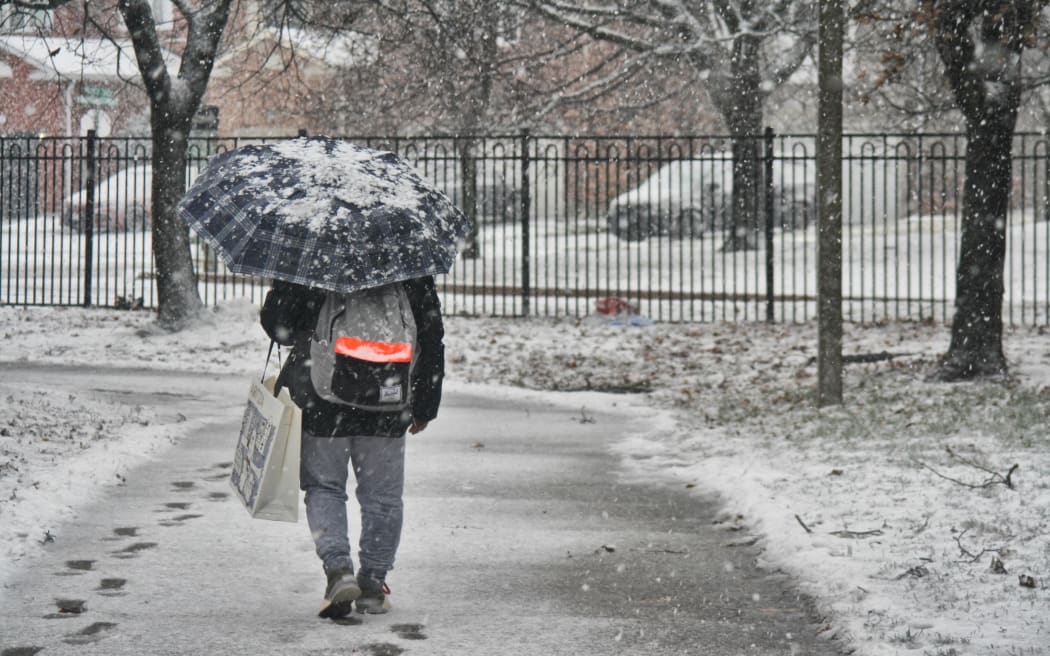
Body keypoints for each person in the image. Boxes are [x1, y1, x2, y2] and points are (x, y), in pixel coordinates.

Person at [260, 276, 444, 620]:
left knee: (324, 486)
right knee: (383, 495)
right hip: (387, 397)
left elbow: (280, 327)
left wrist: (281, 294)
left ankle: (339, 569)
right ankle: (373, 582)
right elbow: (431, 334)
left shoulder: (314, 255)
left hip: (322, 399)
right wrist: (425, 405)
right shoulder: (406, 258)